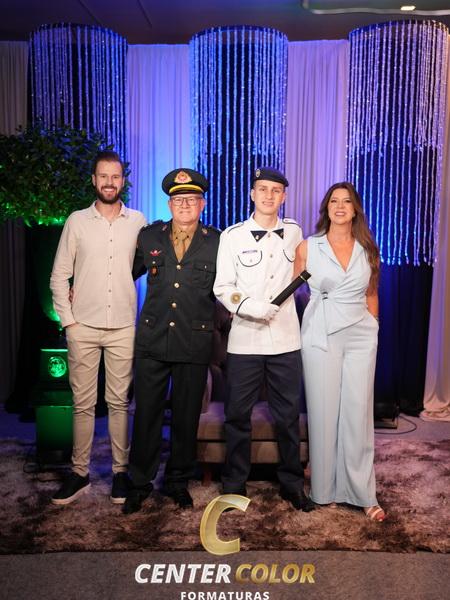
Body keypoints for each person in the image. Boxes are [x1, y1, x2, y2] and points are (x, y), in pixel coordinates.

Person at [213, 167, 314, 511]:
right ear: (252, 194)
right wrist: (254, 308)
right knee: (237, 415)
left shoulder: (295, 232)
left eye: (275, 190)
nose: (269, 196)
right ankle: (234, 485)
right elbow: (223, 287)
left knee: (288, 417)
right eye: (263, 189)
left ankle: (292, 484)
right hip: (245, 340)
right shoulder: (232, 236)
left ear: (283, 196)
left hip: (286, 340)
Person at [49, 150, 147, 505]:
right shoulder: (77, 221)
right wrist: (69, 322)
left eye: (115, 176)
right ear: (94, 180)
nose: (109, 182)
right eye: (103, 176)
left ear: (123, 181)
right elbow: (59, 275)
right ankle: (80, 473)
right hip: (83, 325)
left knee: (119, 403)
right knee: (83, 404)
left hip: (122, 325)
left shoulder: (138, 222)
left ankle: (120, 473)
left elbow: (144, 264)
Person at [123, 168, 220, 514]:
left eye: (192, 199)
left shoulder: (217, 242)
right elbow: (120, 275)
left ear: (202, 204)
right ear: (169, 204)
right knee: (146, 415)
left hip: (194, 340)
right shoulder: (149, 237)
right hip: (153, 338)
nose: (185, 205)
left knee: (185, 416)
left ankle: (178, 481)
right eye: (179, 200)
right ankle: (139, 483)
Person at [294, 181, 386, 522]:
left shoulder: (367, 248)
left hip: (361, 334)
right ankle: (324, 490)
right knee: (323, 412)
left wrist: (374, 327)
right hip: (321, 334)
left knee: (358, 413)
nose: (340, 206)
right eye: (334, 201)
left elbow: (372, 293)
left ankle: (363, 494)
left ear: (355, 208)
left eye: (347, 201)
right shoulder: (309, 246)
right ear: (326, 208)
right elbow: (292, 291)